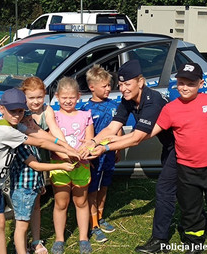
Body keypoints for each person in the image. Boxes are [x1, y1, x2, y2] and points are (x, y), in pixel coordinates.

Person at [0, 88, 79, 254]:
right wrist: (69, 151)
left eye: (21, 111)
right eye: (12, 111)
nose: (17, 115)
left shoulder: (13, 125)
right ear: (1, 109)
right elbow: (39, 143)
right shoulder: (5, 131)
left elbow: (39, 133)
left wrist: (64, 145)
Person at [82, 59, 177, 253]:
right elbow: (112, 127)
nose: (123, 89)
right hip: (169, 147)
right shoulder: (127, 101)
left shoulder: (153, 101)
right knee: (184, 189)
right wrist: (92, 143)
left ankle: (161, 241)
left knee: (166, 190)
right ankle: (195, 223)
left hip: (182, 147)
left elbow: (136, 138)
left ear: (140, 82)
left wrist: (104, 149)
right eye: (121, 84)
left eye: (127, 84)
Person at [150, 62, 207, 254]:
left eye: (190, 83)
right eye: (181, 83)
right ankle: (194, 242)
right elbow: (149, 132)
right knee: (190, 208)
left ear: (200, 83)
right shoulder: (171, 109)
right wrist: (120, 140)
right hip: (186, 169)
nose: (185, 87)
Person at [10, 111, 75, 254]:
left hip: (34, 185)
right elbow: (36, 165)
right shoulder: (21, 143)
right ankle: (21, 248)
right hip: (23, 188)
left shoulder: (33, 141)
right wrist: (61, 165)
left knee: (34, 211)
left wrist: (40, 183)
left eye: (30, 121)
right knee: (22, 222)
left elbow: (39, 159)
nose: (29, 125)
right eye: (25, 123)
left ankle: (35, 241)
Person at [50, 77, 94, 254]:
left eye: (71, 97)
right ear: (57, 97)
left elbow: (90, 140)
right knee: (61, 203)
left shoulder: (85, 115)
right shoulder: (53, 117)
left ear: (78, 97)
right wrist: (66, 157)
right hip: (59, 166)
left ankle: (83, 238)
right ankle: (59, 239)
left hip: (81, 166)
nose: (68, 101)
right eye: (64, 97)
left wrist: (85, 150)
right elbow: (52, 143)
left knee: (81, 202)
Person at [80, 65, 121, 243]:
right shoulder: (86, 109)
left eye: (109, 85)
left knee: (104, 186)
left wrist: (118, 147)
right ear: (92, 87)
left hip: (109, 154)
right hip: (94, 157)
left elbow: (118, 128)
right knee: (92, 190)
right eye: (104, 86)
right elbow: (83, 135)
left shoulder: (114, 105)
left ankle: (101, 216)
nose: (108, 88)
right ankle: (93, 224)